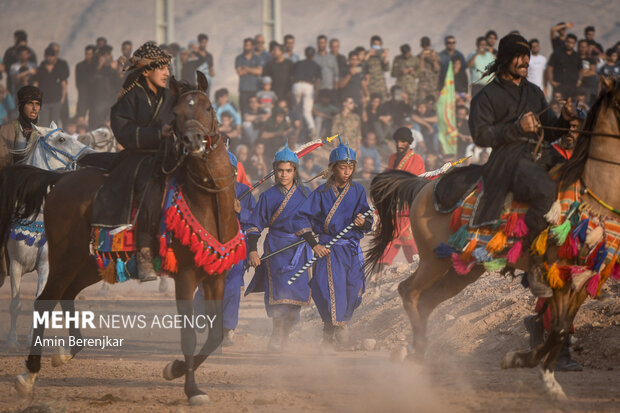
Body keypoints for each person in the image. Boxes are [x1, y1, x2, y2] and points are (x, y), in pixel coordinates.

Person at [434, 34, 575, 298]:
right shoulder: (486, 95)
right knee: (545, 189)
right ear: (505, 59)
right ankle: (534, 265)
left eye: (527, 56)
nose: (525, 61)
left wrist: (565, 121)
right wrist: (516, 128)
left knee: (575, 176)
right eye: (519, 56)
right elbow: (481, 135)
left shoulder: (534, 92)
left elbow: (551, 130)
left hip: (539, 154)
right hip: (507, 160)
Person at [90, 42, 175, 282]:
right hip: (138, 158)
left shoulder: (170, 97)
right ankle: (145, 253)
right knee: (151, 189)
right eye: (161, 68)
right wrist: (158, 134)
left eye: (168, 68)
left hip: (168, 155)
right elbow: (123, 131)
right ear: (146, 71)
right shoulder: (129, 97)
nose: (167, 73)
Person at [292, 140, 373, 349]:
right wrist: (314, 245)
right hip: (329, 249)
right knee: (330, 289)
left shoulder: (358, 191)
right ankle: (336, 329)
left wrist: (363, 221)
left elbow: (367, 218)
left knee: (354, 289)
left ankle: (336, 326)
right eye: (343, 167)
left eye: (351, 167)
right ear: (333, 168)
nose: (347, 171)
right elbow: (301, 218)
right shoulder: (320, 193)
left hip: (351, 248)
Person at [245, 145, 312, 351]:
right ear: (275, 171)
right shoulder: (267, 196)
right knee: (279, 295)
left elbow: (316, 219)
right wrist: (253, 249)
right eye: (280, 170)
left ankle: (285, 334)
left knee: (296, 299)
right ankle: (276, 332)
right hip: (276, 248)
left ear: (295, 171)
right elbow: (255, 225)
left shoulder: (305, 193)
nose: (284, 175)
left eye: (288, 171)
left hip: (300, 250)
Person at [195, 150, 256, 344]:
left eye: (228, 170)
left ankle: (227, 328)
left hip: (236, 250)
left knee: (231, 289)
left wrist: (242, 211)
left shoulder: (244, 192)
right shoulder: (204, 192)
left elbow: (254, 222)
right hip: (210, 248)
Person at [378, 127, 425, 270]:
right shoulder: (392, 158)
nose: (399, 144)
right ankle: (382, 265)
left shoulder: (417, 160)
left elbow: (417, 183)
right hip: (393, 207)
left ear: (409, 142)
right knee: (390, 238)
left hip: (408, 207)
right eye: (397, 141)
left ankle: (420, 266)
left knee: (409, 241)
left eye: (403, 141)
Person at [0, 85, 42, 168]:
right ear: (21, 106)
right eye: (30, 103)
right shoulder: (5, 131)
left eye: (37, 104)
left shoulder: (43, 133)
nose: (34, 108)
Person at [33, 45, 69, 127]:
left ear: (55, 57)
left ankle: (54, 139)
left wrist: (63, 98)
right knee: (44, 123)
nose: (50, 58)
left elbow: (64, 84)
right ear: (45, 56)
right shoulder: (40, 69)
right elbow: (35, 85)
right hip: (44, 101)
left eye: (52, 56)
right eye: (48, 56)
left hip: (56, 100)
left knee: (55, 123)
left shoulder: (59, 68)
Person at [292, 47, 322, 136]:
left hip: (296, 85)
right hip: (308, 86)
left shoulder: (298, 63)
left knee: (298, 110)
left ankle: (298, 129)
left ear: (305, 54)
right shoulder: (316, 65)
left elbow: (292, 77)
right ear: (314, 55)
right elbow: (318, 80)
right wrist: (316, 92)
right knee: (307, 111)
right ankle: (311, 127)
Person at [547, 34, 581, 99]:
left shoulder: (576, 56)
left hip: (572, 87)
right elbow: (550, 67)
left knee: (570, 107)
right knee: (557, 106)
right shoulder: (557, 53)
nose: (569, 44)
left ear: (574, 44)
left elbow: (581, 69)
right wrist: (551, 81)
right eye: (568, 42)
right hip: (559, 86)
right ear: (565, 41)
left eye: (572, 43)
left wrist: (579, 80)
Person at [3, 30, 37, 94]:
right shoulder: (10, 52)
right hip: (13, 84)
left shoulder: (30, 52)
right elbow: (6, 67)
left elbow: (34, 70)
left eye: (17, 40)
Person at [235, 38, 262, 115]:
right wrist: (253, 70)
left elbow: (259, 71)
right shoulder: (239, 58)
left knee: (254, 110)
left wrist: (246, 68)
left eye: (248, 45)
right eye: (245, 45)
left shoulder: (257, 58)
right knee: (243, 110)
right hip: (243, 89)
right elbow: (240, 73)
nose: (246, 47)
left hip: (255, 89)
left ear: (252, 46)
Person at [75, 45, 97, 123]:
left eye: (89, 54)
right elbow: (78, 83)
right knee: (80, 118)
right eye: (86, 53)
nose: (87, 56)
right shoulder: (80, 66)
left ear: (93, 54)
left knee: (93, 118)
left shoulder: (97, 66)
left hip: (95, 96)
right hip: (83, 96)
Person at [364, 35, 390, 100]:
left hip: (381, 86)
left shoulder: (382, 54)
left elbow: (387, 69)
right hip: (370, 85)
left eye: (378, 44)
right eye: (374, 44)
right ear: (371, 44)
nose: (376, 46)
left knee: (383, 105)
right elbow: (361, 65)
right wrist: (369, 55)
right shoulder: (366, 53)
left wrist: (386, 56)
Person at [314, 35, 338, 102]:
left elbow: (336, 74)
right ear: (317, 44)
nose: (321, 44)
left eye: (323, 42)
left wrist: (335, 89)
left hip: (330, 89)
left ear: (326, 44)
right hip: (318, 90)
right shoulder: (314, 58)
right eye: (319, 43)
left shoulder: (332, 57)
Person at [418, 37, 440, 101]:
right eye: (424, 45)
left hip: (433, 86)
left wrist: (433, 60)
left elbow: (437, 70)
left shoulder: (435, 54)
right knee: (422, 103)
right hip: (423, 86)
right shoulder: (418, 57)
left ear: (430, 44)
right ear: (421, 45)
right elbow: (420, 72)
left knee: (434, 105)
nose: (426, 47)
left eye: (427, 45)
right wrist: (421, 60)